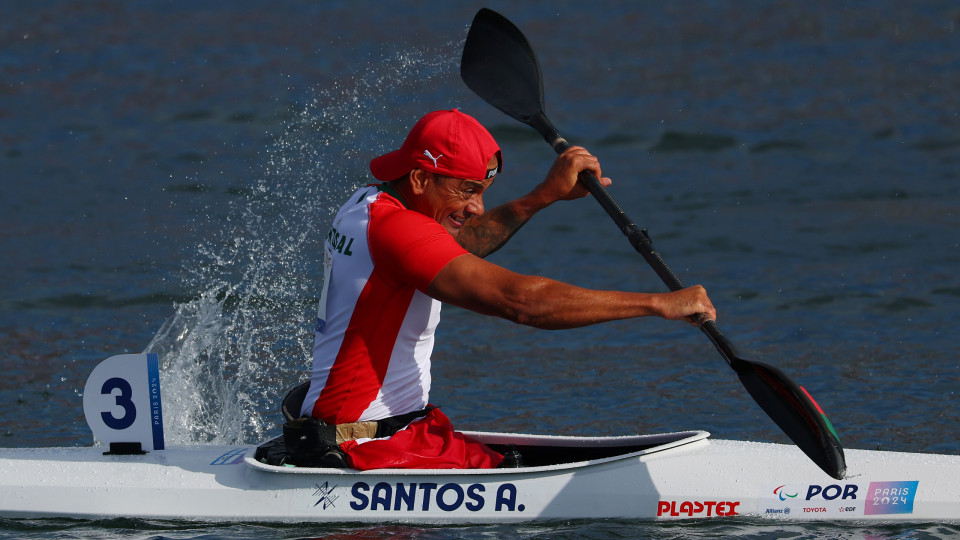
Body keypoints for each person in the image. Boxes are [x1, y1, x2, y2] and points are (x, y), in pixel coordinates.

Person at [292, 109, 715, 470]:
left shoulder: (369, 203)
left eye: (481, 192)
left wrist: (541, 198)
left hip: (382, 429)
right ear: (420, 178)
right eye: (467, 190)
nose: (475, 206)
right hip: (367, 450)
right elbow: (522, 303)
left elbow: (452, 241)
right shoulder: (400, 232)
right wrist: (658, 303)